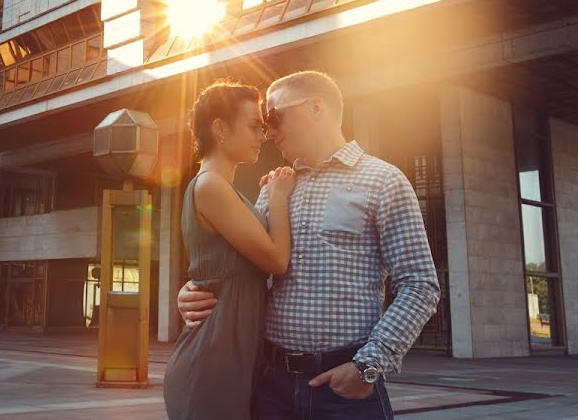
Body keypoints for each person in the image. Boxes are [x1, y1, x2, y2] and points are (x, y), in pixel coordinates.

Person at [177, 71, 440, 420]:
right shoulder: (275, 189)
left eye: (274, 118)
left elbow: (420, 284)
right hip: (271, 387)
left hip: (345, 387)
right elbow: (248, 268)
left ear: (316, 108)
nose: (268, 132)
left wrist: (368, 366)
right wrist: (195, 290)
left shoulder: (383, 180)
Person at [164, 80, 296, 420]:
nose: (262, 135)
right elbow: (277, 260)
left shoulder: (226, 190)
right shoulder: (210, 186)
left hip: (232, 356)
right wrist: (279, 198)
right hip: (212, 362)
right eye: (254, 126)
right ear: (220, 128)